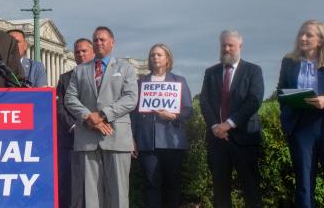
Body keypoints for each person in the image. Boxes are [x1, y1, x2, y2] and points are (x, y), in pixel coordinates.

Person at [64, 26, 138, 208]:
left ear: (112, 42)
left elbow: (130, 98)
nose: (98, 43)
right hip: (87, 138)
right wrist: (88, 118)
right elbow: (70, 98)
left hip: (116, 136)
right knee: (91, 195)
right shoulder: (80, 70)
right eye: (95, 39)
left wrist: (103, 115)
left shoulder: (126, 68)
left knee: (118, 193)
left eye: (102, 39)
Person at [200, 30, 263, 208]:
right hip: (217, 140)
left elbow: (254, 100)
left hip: (245, 140)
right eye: (223, 45)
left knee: (251, 191)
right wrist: (215, 126)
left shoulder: (253, 71)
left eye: (230, 45)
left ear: (240, 46)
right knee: (220, 192)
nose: (226, 49)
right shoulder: (210, 72)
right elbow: (204, 101)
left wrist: (228, 124)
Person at [131, 44, 193, 208]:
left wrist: (174, 116)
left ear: (167, 59)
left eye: (159, 55)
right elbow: (134, 113)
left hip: (172, 142)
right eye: (152, 55)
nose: (155, 58)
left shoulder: (179, 81)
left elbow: (188, 109)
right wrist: (132, 139)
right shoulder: (140, 83)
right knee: (151, 185)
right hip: (147, 142)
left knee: (172, 185)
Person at [277, 20, 324, 208]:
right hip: (300, 127)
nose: (303, 38)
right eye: (301, 34)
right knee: (304, 184)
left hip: (322, 123)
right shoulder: (289, 62)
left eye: (309, 35)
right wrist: (291, 99)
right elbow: (280, 92)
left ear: (320, 40)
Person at [56, 38, 93, 208]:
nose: (80, 54)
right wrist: (73, 125)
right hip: (71, 139)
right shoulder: (64, 78)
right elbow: (59, 106)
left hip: (95, 138)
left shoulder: (102, 77)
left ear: (92, 53)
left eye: (84, 51)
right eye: (77, 51)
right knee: (70, 186)